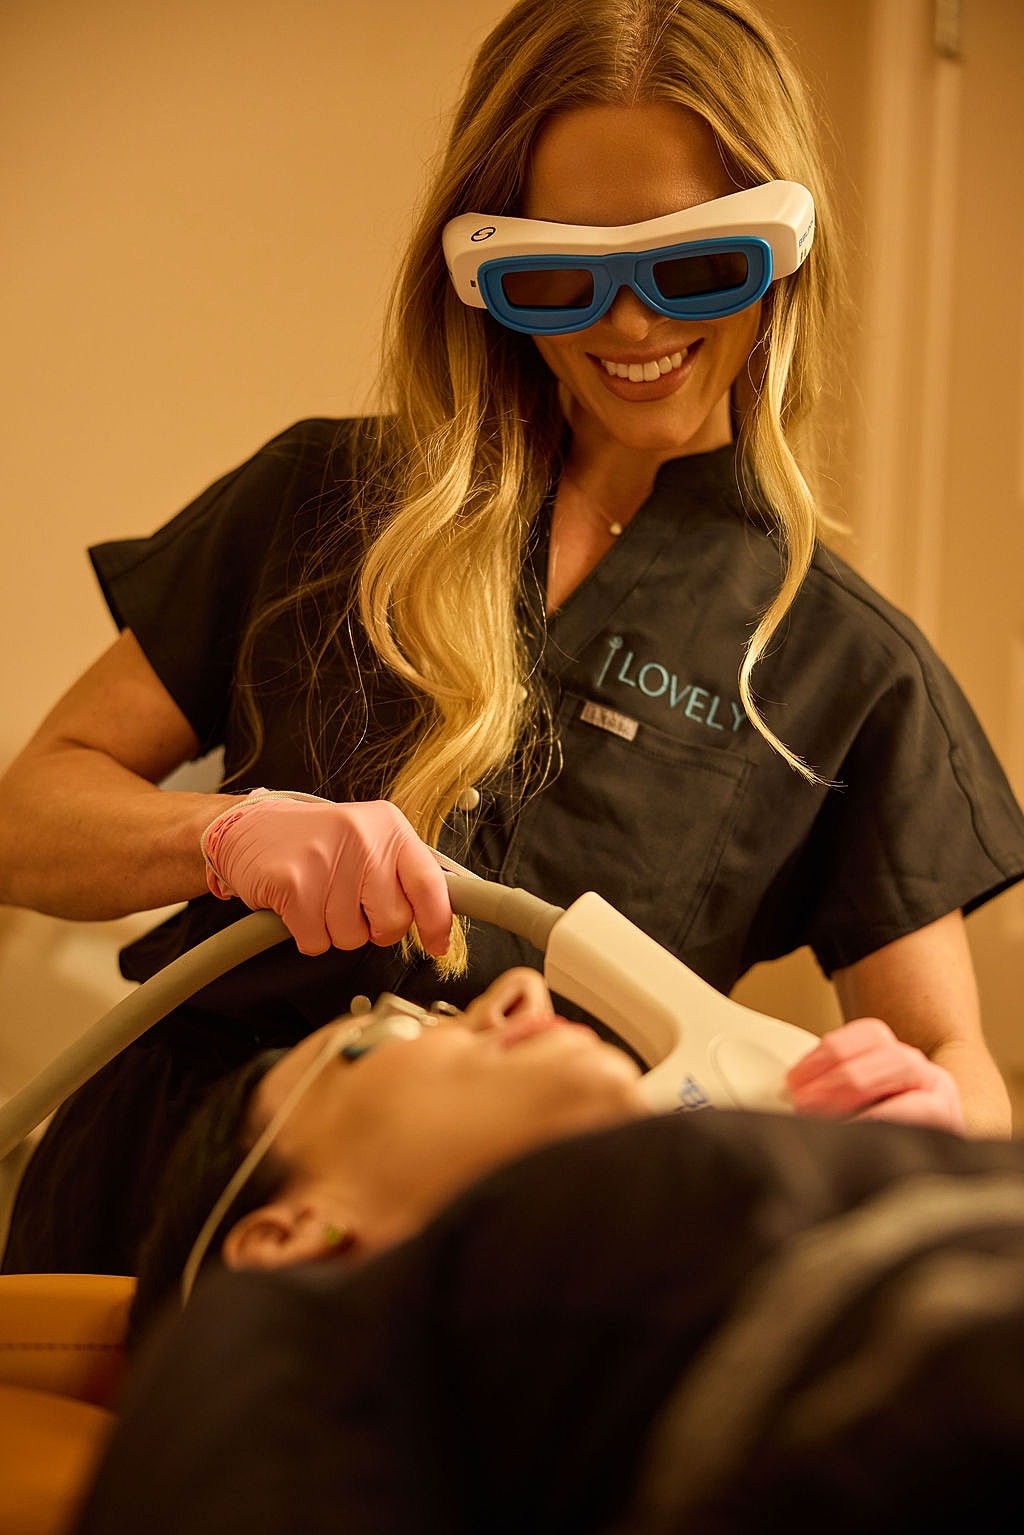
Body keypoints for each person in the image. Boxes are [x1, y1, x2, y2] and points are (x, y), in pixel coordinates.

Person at [2, 0, 1023, 1276]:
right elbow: (25, 819)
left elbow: (951, 1062)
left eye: (692, 268)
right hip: (165, 1204)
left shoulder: (841, 661)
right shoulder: (325, 502)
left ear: (778, 253)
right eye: (561, 277)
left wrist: (930, 1119)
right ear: (485, 277)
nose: (634, 329)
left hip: (524, 1278)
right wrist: (222, 833)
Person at [75, 992, 1024, 1535]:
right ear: (290, 1239)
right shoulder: (257, 1345)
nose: (516, 991)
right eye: (383, 1035)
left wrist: (898, 1187)